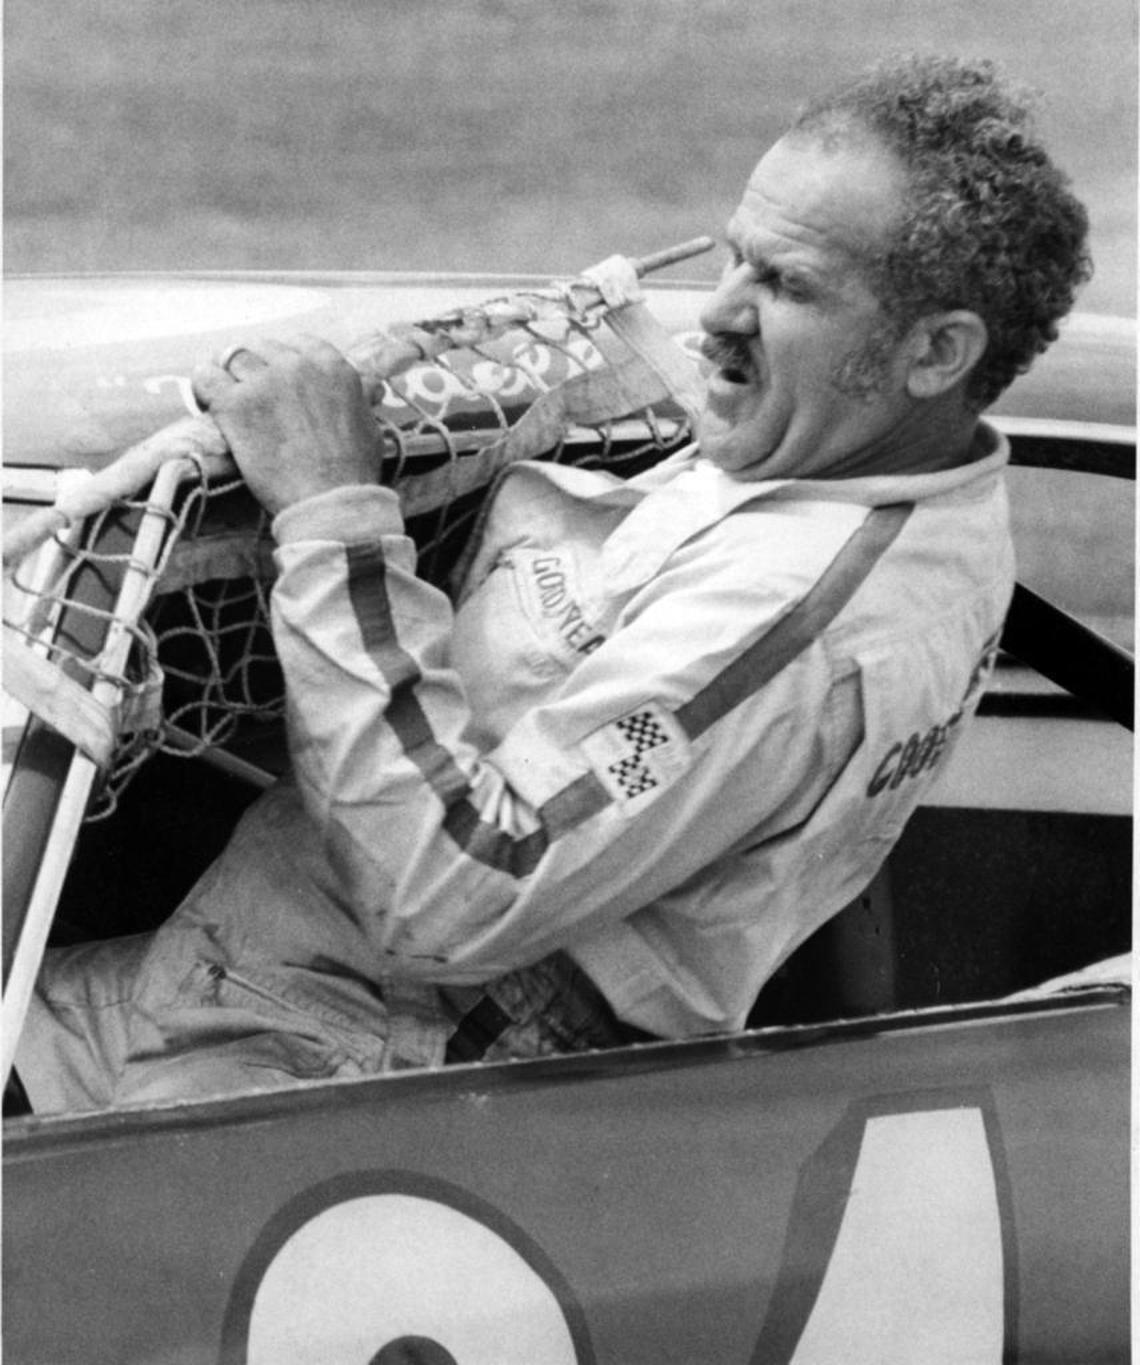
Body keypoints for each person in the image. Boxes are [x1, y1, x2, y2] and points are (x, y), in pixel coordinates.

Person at [15, 53, 1091, 1112]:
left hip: (344, 1057)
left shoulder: (784, 623)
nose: (718, 314)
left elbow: (459, 886)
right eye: (734, 259)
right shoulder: (848, 457)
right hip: (256, 977)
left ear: (938, 352)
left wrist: (331, 513)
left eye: (788, 286)